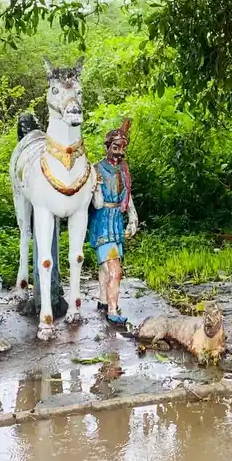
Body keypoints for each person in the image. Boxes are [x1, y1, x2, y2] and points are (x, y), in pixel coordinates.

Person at [88, 118, 139, 324]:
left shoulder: (123, 169)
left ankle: (102, 300)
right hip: (102, 224)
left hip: (117, 221)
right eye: (116, 147)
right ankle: (112, 309)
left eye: (123, 148)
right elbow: (96, 203)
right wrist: (97, 188)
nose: (119, 152)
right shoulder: (96, 169)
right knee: (114, 270)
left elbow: (127, 193)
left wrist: (132, 217)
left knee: (106, 266)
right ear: (107, 147)